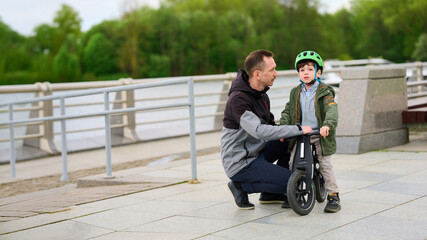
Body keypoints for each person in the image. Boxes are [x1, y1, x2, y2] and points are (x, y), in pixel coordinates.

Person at [221, 49, 313, 210]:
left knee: (288, 139)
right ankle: (239, 186)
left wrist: (293, 131)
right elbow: (260, 131)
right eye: (272, 70)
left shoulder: (262, 95)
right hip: (241, 162)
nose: (276, 73)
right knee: (293, 184)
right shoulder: (237, 100)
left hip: (257, 151)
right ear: (257, 74)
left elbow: (271, 127)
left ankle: (270, 195)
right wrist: (298, 128)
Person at [280, 50, 341, 213]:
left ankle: (333, 195)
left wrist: (327, 124)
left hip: (320, 135)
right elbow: (287, 111)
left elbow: (332, 109)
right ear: (298, 73)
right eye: (302, 70)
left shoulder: (324, 91)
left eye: (309, 69)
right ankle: (295, 192)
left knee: (325, 164)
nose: (305, 73)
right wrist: (284, 128)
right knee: (293, 163)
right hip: (301, 134)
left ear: (318, 72)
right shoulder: (295, 92)